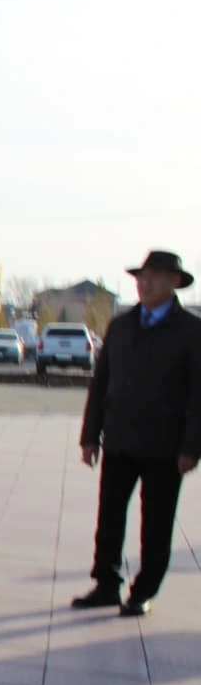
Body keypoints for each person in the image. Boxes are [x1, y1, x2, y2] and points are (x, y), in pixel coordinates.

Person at [71, 250, 201, 616]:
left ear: (174, 282)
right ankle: (106, 584)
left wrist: (192, 447)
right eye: (142, 277)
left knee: (156, 523)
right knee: (109, 518)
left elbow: (199, 396)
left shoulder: (191, 331)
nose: (146, 284)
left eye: (155, 277)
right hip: (120, 440)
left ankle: (143, 591)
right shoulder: (122, 325)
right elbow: (101, 384)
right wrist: (89, 436)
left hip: (166, 447)